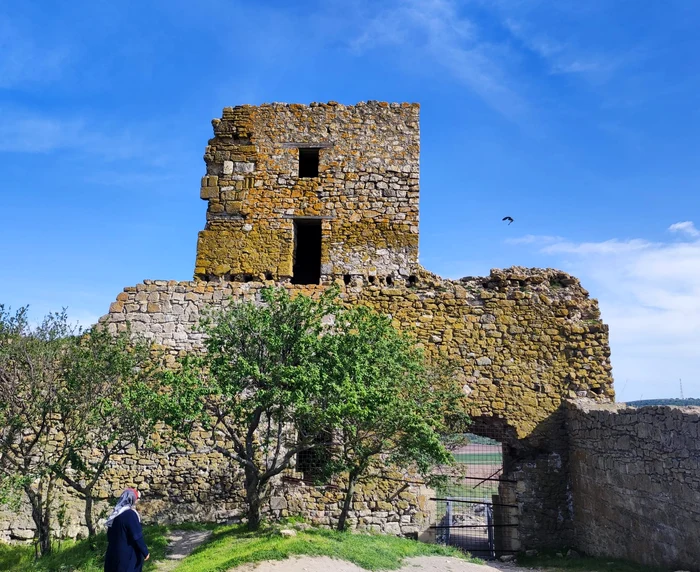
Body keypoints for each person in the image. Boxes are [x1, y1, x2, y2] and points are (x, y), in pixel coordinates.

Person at [104, 488, 150, 572]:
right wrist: (145, 552)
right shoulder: (130, 514)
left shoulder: (115, 514)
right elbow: (137, 536)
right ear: (132, 499)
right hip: (126, 554)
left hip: (112, 553)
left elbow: (109, 535)